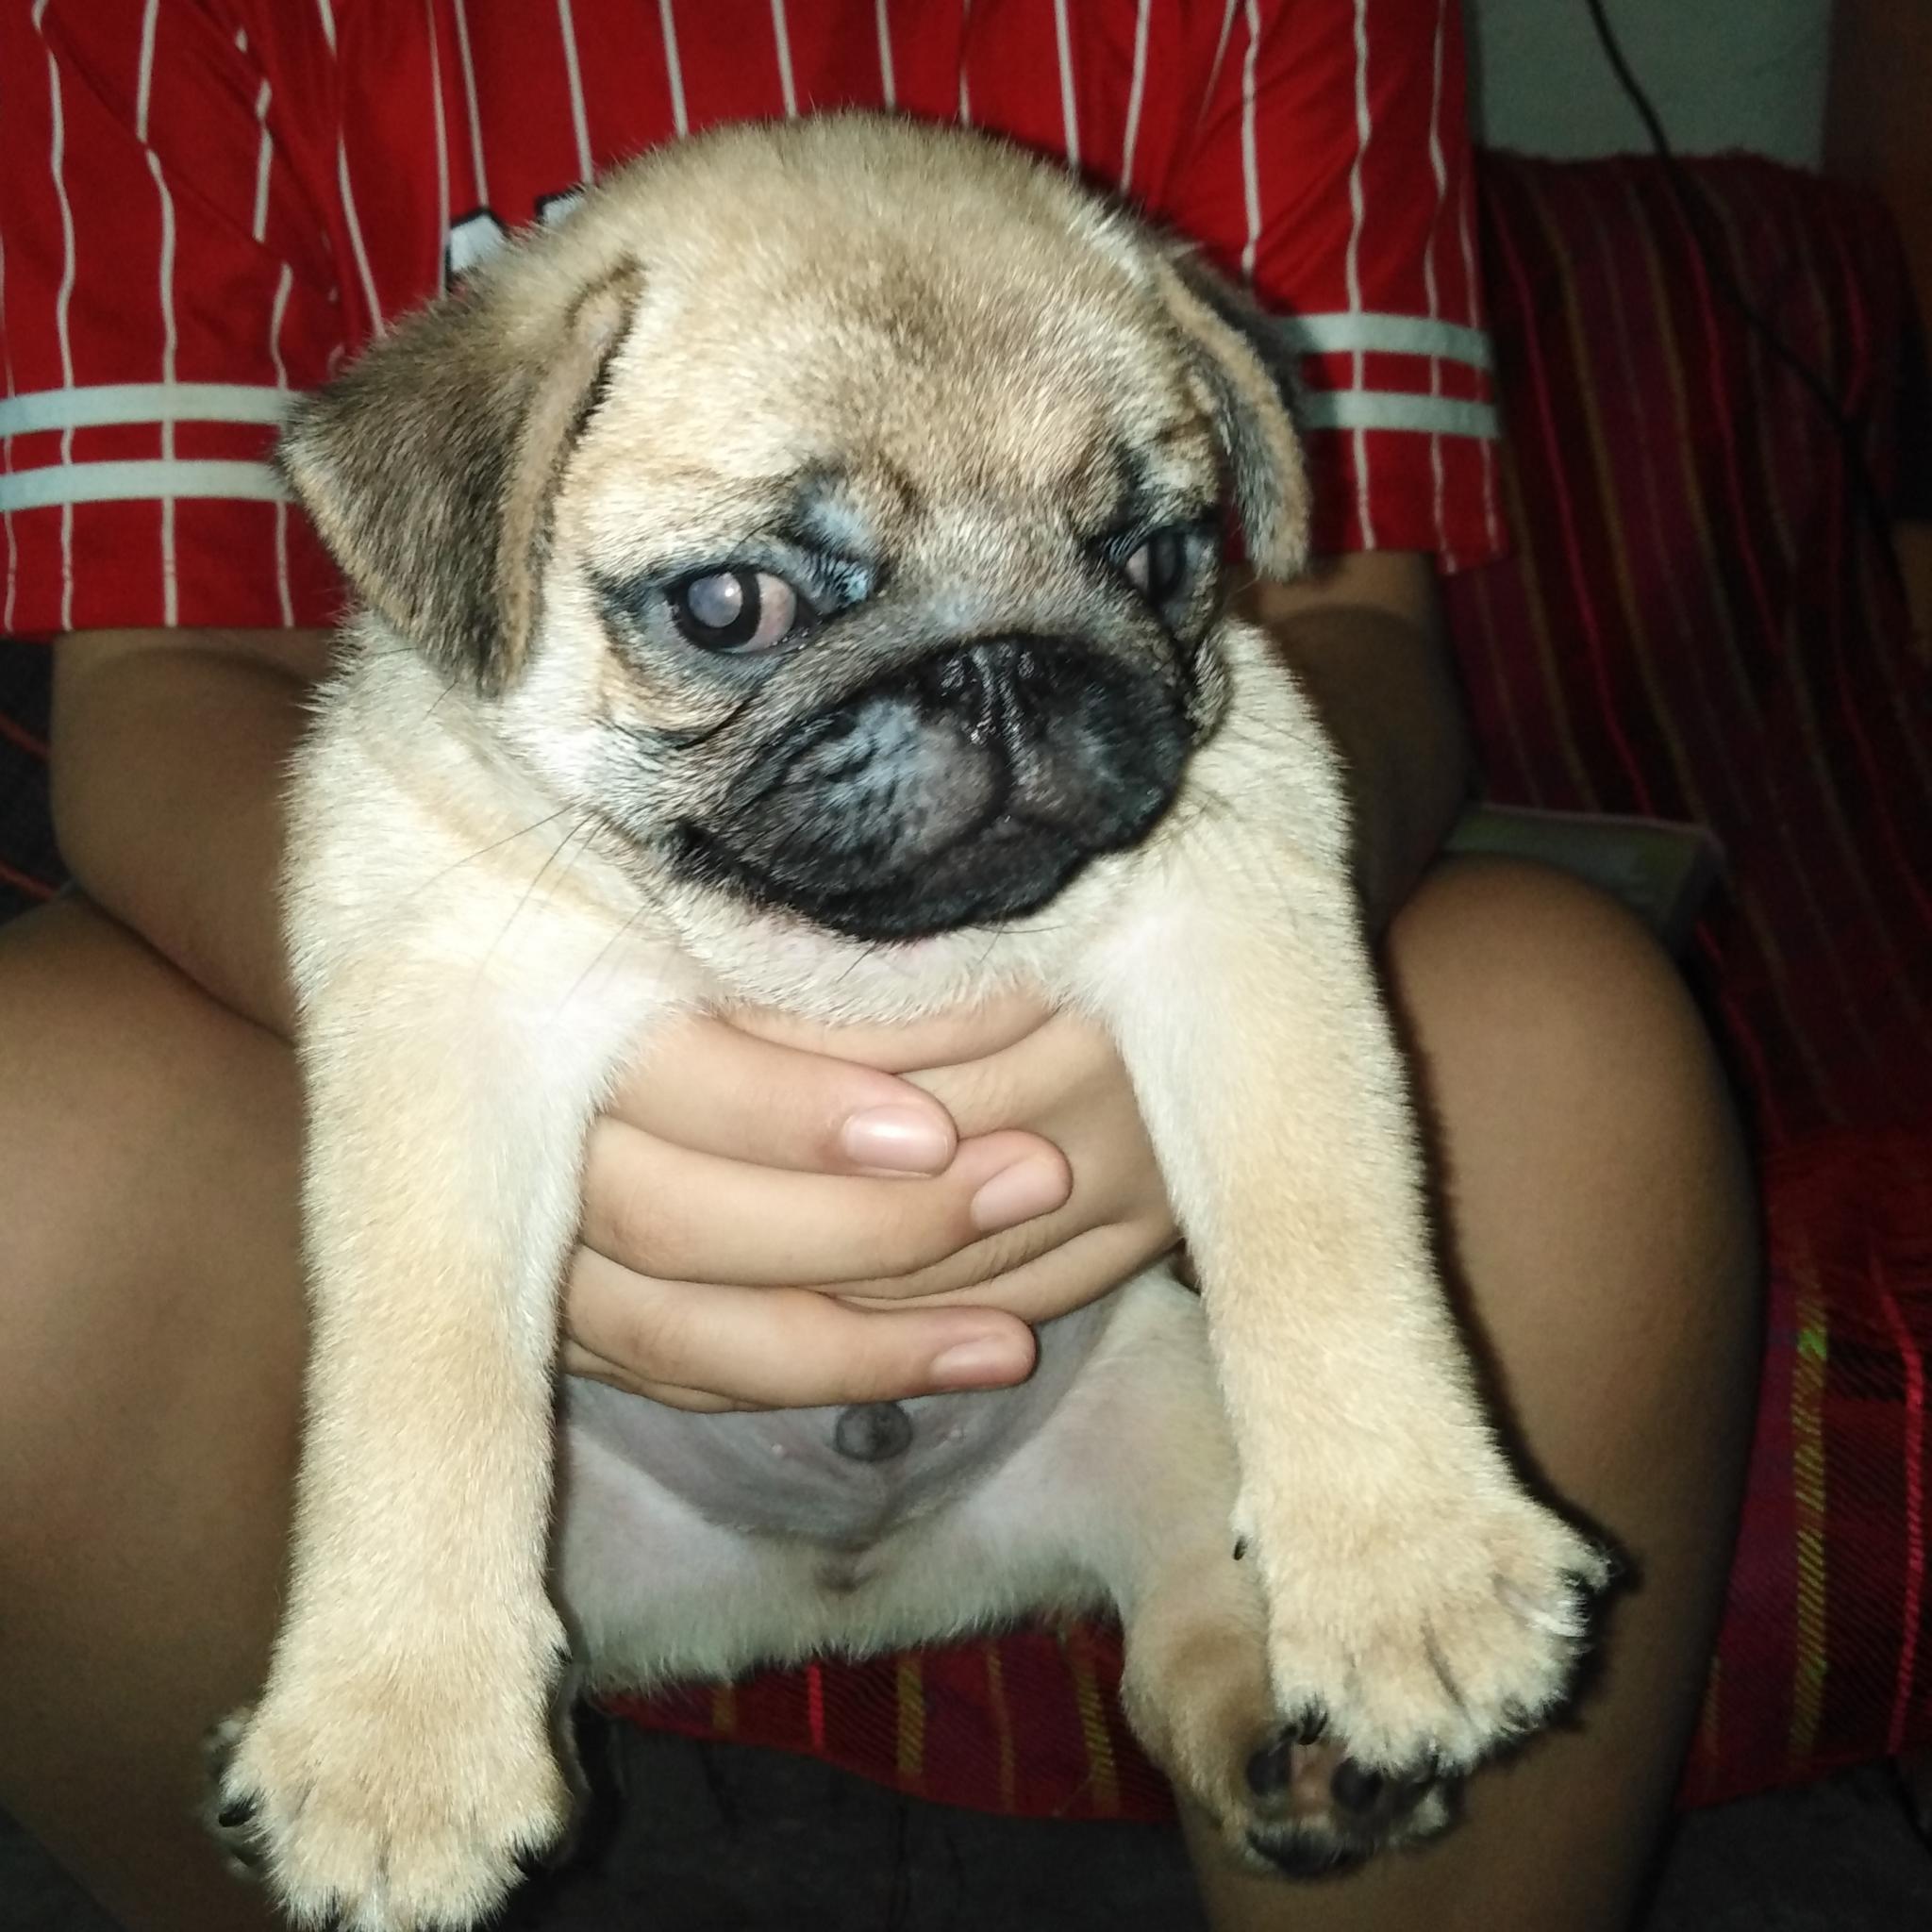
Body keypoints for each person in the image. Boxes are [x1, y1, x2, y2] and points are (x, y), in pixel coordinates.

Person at [0, 4, 1759, 1928]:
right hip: (600, 1477)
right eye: (739, 602)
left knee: (1560, 1035)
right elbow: (167, 695)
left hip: (1082, 1385)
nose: (990, 709)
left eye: (1140, 559)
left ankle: (1210, 1634)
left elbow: (1347, 646)